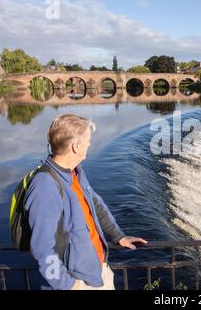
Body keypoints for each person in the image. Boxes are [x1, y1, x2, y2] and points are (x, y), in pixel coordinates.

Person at [25, 114, 147, 290]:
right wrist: (69, 284)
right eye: (88, 140)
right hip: (77, 282)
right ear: (76, 146)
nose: (90, 144)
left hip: (97, 273)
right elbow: (41, 249)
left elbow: (96, 206)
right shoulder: (44, 186)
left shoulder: (75, 173)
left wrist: (118, 236)